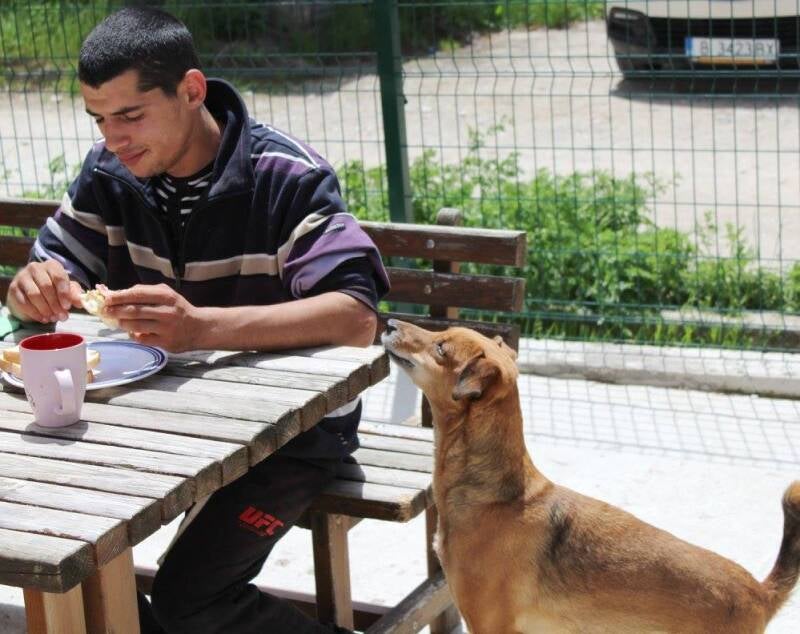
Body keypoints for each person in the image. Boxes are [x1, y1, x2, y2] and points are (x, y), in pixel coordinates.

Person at [5, 7, 388, 633]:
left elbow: (355, 317)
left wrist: (202, 327)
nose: (114, 138)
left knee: (190, 599)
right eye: (99, 119)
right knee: (62, 557)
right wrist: (32, 286)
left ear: (191, 90)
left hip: (293, 435)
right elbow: (46, 271)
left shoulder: (285, 175)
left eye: (131, 115)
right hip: (165, 425)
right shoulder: (110, 174)